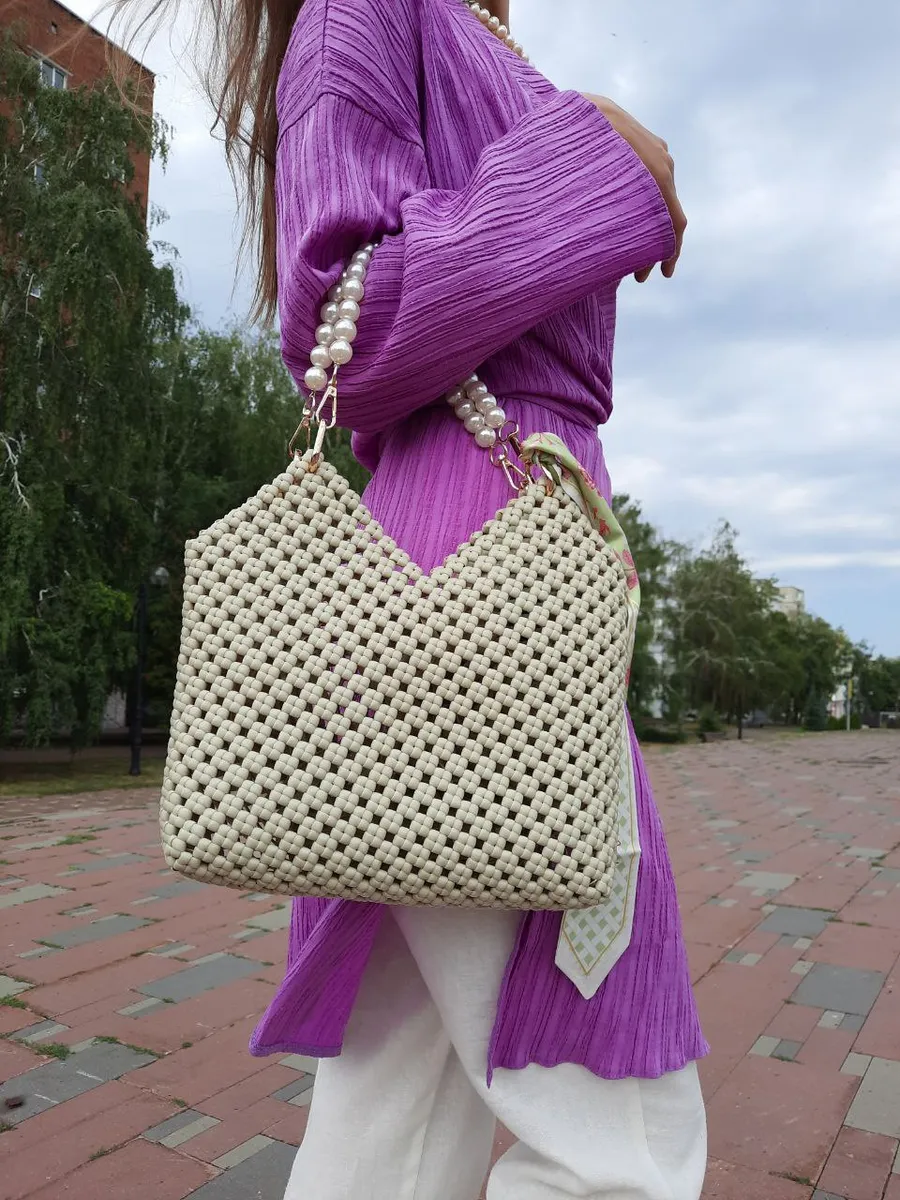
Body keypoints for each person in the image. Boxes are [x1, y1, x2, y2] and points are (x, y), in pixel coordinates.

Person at [121, 0, 708, 1194]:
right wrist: (594, 155)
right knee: (621, 1146)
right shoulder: (368, 6)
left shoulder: (456, 27)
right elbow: (348, 314)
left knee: (390, 1130)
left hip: (480, 578)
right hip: (481, 600)